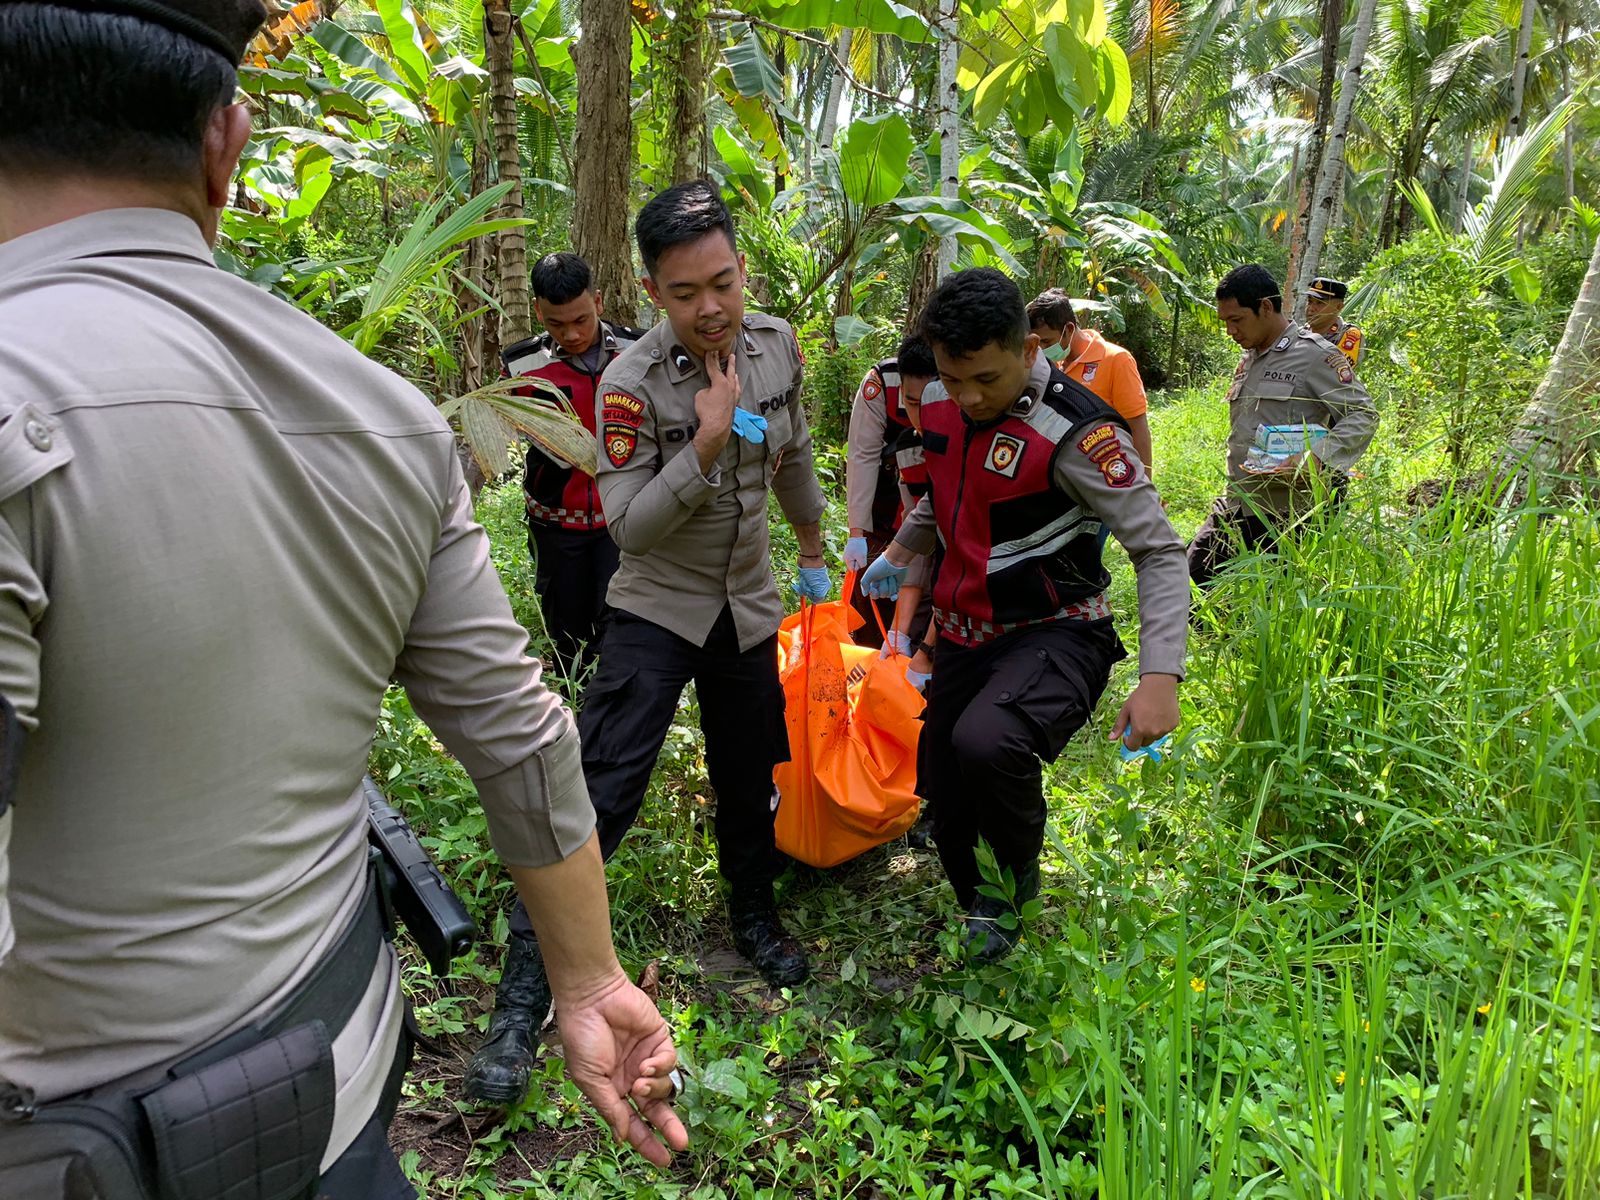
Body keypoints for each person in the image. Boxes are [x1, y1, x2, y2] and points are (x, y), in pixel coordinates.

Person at [0, 3, 686, 1196]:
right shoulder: (382, 413)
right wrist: (588, 982)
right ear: (228, 145)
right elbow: (520, 737)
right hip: (332, 1100)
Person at [860, 269, 1189, 962]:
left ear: (1029, 346)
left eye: (986, 377)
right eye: (953, 379)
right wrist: (898, 551)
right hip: (963, 635)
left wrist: (1163, 674)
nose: (969, 397)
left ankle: (1013, 892)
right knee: (943, 796)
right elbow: (945, 497)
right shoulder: (944, 405)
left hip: (1058, 629)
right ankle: (982, 902)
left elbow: (1158, 551)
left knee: (988, 742)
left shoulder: (1077, 431)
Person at [1188, 264, 1379, 586]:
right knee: (1193, 572)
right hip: (1238, 499)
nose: (1230, 331)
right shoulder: (1249, 358)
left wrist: (1317, 457)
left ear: (1265, 307)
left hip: (1286, 512)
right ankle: (1221, 636)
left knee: (1272, 596)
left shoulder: (1314, 355)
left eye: (1236, 320)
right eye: (1226, 322)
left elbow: (1362, 414)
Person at [501, 252, 643, 680]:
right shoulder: (521, 366)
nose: (573, 333)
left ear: (598, 301)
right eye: (556, 324)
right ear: (538, 311)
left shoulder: (638, 351)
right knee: (565, 636)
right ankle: (572, 725)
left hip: (621, 520)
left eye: (581, 319)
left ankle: (613, 722)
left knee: (619, 625)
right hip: (554, 525)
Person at [842, 334, 939, 648]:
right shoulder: (882, 383)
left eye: (929, 403)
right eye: (912, 403)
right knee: (871, 605)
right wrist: (857, 532)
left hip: (935, 519)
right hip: (884, 510)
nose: (921, 415)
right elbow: (862, 455)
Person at [1027, 288, 1154, 470]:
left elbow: (1137, 426)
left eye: (1047, 342)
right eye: (1039, 343)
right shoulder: (1051, 366)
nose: (1042, 349)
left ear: (1069, 329)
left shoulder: (1116, 359)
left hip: (1110, 472)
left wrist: (1145, 481)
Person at [1304, 276, 1363, 367]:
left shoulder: (1348, 334)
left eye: (1320, 303)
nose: (1311, 309)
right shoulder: (1300, 333)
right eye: (1309, 301)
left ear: (1338, 307)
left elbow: (1339, 371)